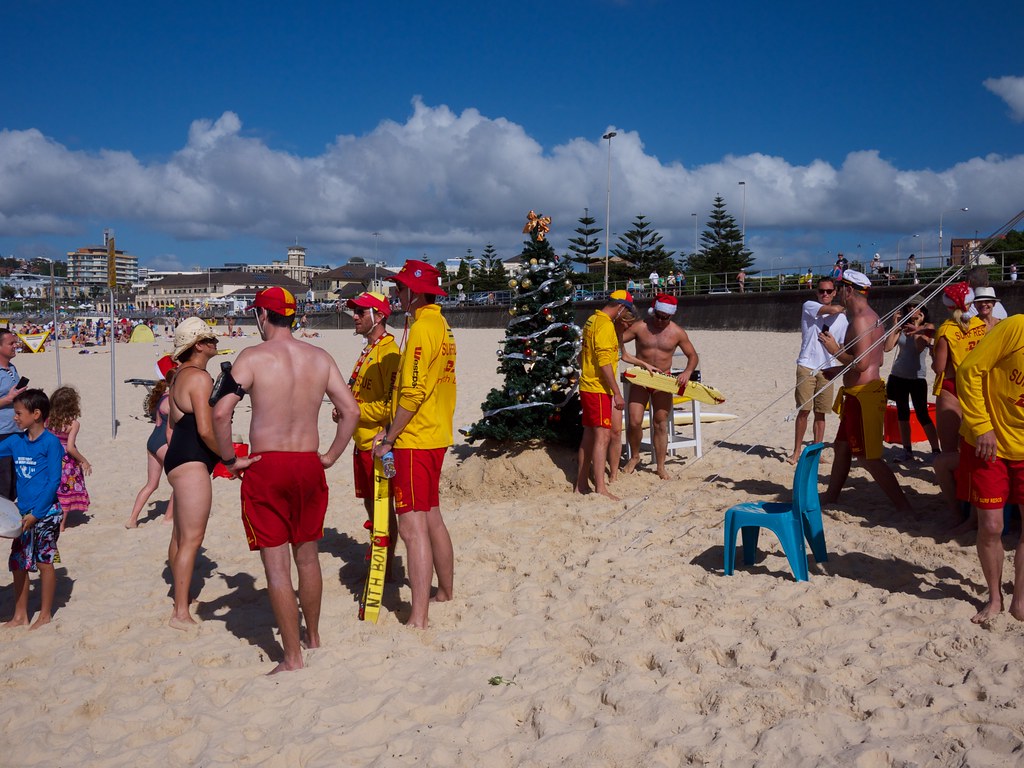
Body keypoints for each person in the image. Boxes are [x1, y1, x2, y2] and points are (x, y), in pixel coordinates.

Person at [213, 286, 359, 668]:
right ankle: (313, 636)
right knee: (308, 557)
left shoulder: (253, 357)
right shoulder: (319, 357)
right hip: (308, 462)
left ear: (263, 315)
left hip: (268, 464)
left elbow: (220, 413)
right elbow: (351, 411)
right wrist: (331, 455)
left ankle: (292, 657)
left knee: (277, 566)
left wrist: (229, 459)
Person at [370, 262, 456, 630]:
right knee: (431, 514)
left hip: (415, 438)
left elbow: (413, 391)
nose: (396, 294)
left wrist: (390, 436)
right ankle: (445, 592)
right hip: (435, 432)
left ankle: (418, 617)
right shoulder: (441, 325)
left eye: (401, 289)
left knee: (411, 526)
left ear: (416, 293)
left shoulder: (422, 328)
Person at [819, 271, 910, 511]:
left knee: (868, 457)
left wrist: (834, 349)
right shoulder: (873, 317)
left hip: (863, 396)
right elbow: (875, 360)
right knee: (842, 448)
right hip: (860, 393)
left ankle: (904, 507)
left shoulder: (860, 320)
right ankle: (831, 496)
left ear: (849, 290)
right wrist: (839, 369)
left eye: (840, 288)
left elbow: (861, 364)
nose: (837, 293)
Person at [956, 315, 1024, 623]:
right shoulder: (1016, 327)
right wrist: (982, 426)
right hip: (989, 442)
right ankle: (995, 597)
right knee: (992, 526)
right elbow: (969, 370)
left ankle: (1020, 599)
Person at [164, 317, 222, 630]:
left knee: (179, 535)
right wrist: (226, 456)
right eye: (209, 339)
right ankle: (180, 612)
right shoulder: (199, 378)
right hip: (192, 460)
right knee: (192, 539)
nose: (214, 343)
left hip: (177, 458)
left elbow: (172, 427)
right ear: (197, 346)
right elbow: (205, 429)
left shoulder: (177, 377)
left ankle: (180, 597)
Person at [344, 291, 400, 579]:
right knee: (371, 506)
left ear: (378, 316)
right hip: (361, 441)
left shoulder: (389, 353)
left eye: (360, 312)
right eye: (354, 311)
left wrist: (354, 410)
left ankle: (385, 569)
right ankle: (380, 560)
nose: (354, 316)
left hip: (378, 445)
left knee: (383, 509)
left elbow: (392, 406)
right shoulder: (370, 348)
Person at [0, 389, 64, 629]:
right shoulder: (16, 441)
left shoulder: (51, 443)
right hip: (22, 514)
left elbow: (54, 481)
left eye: (18, 413)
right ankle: (20, 615)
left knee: (45, 562)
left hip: (46, 513)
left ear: (36, 414)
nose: (15, 417)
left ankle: (45, 615)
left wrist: (36, 514)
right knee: (18, 564)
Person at [621, 294, 699, 479]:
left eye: (665, 317)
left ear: (670, 315)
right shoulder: (640, 327)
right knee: (634, 421)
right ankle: (635, 457)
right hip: (641, 379)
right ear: (653, 311)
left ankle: (661, 466)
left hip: (663, 381)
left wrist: (687, 371)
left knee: (660, 423)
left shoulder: (677, 332)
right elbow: (616, 340)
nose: (660, 320)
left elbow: (693, 356)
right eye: (658, 315)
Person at [931, 283, 990, 526]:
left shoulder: (946, 329)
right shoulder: (982, 326)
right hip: (978, 389)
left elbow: (939, 367)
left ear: (947, 306)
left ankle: (957, 513)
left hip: (953, 389)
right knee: (975, 453)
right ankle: (974, 510)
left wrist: (931, 350)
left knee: (950, 453)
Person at [575, 290, 637, 499]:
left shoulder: (591, 320)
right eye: (626, 311)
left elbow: (581, 356)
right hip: (598, 388)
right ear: (621, 307)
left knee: (589, 436)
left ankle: (581, 484)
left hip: (587, 385)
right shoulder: (605, 325)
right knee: (602, 436)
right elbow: (604, 363)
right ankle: (600, 488)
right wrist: (617, 393)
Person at [789, 277, 848, 465]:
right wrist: (844, 306)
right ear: (817, 292)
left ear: (834, 292)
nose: (825, 294)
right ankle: (796, 451)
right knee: (804, 411)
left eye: (829, 291)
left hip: (827, 368)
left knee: (821, 413)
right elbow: (832, 309)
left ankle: (816, 452)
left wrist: (842, 365)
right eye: (822, 291)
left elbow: (842, 346)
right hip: (807, 366)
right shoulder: (810, 306)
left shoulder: (842, 319)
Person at [883, 303, 940, 462]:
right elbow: (887, 347)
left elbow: (919, 347)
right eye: (909, 307)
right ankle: (907, 450)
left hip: (917, 377)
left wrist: (916, 327)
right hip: (898, 374)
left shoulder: (927, 327)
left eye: (915, 307)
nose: (911, 310)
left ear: (922, 310)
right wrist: (895, 325)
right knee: (902, 414)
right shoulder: (903, 327)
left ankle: (936, 450)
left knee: (922, 414)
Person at [127, 356, 177, 528]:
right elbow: (171, 430)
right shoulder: (171, 401)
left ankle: (132, 519)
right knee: (180, 482)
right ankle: (168, 518)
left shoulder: (161, 396)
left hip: (153, 440)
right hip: (164, 442)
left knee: (151, 484)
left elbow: (159, 422)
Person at [47, 386, 92, 531]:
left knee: (52, 489)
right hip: (66, 461)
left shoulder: (47, 419)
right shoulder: (73, 424)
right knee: (65, 491)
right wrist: (84, 460)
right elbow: (71, 448)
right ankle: (62, 524)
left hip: (50, 456)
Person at [0, 329, 28, 501]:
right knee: (3, 480)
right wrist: (7, 399)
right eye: (11, 343)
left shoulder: (12, 368)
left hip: (17, 430)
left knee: (14, 480)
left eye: (15, 342)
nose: (15, 346)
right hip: (2, 432)